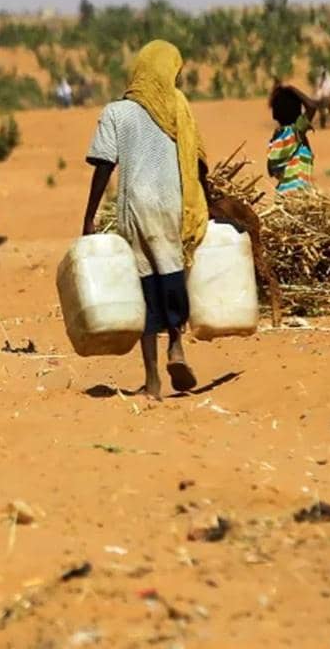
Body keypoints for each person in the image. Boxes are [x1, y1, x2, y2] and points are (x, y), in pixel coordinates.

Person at [82, 40, 209, 401]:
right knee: (172, 275)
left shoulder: (116, 112)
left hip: (134, 210)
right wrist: (205, 203)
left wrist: (89, 216)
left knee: (144, 287)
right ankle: (177, 346)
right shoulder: (179, 107)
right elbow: (197, 162)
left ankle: (152, 380)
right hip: (172, 204)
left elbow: (104, 165)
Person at [267, 83, 320, 193]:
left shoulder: (276, 139)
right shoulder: (296, 132)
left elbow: (271, 171)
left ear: (274, 114)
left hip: (282, 195)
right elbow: (312, 106)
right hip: (298, 194)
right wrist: (292, 88)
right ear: (298, 111)